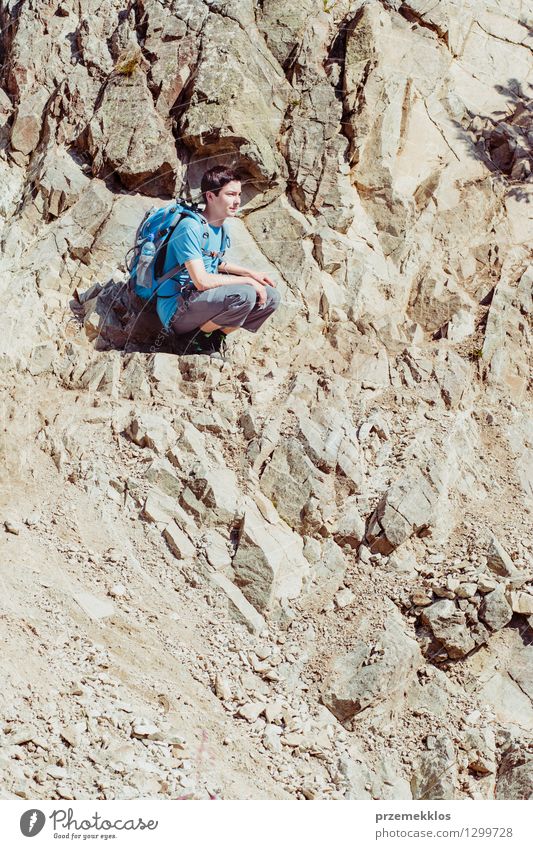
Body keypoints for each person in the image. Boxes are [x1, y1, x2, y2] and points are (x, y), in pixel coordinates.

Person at [155, 166, 281, 357]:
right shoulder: (190, 227)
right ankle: (189, 338)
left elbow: (214, 261)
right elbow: (202, 281)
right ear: (210, 196)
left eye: (238, 194)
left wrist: (250, 274)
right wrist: (247, 282)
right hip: (177, 308)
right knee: (245, 294)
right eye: (230, 194)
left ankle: (211, 337)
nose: (237, 201)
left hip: (200, 301)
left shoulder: (221, 229)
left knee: (271, 297)